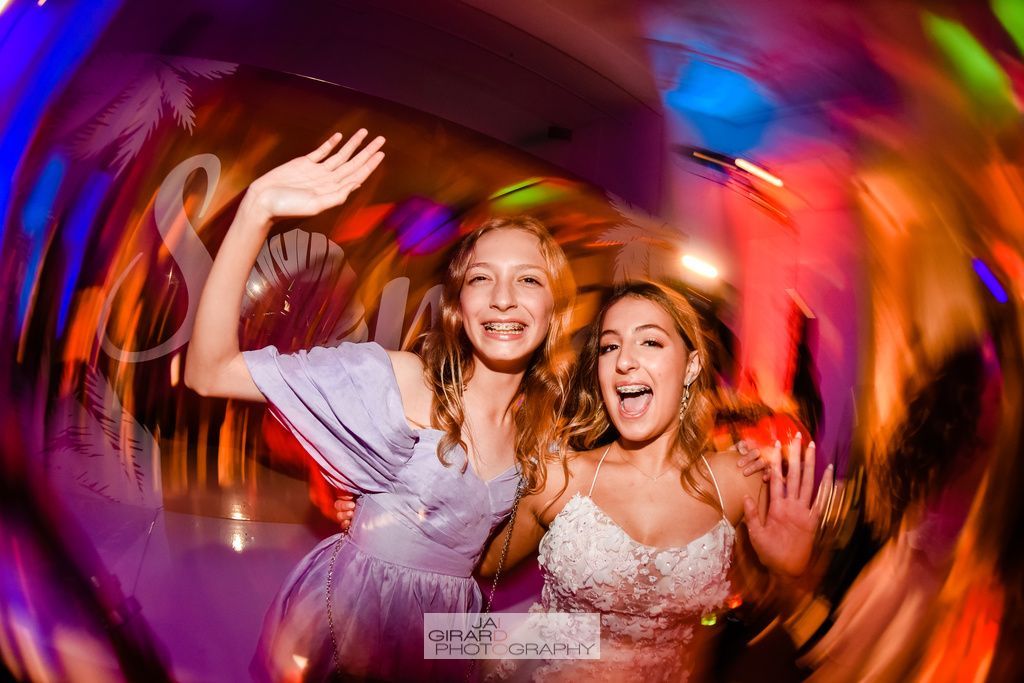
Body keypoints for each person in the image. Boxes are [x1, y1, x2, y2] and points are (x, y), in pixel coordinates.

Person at [183, 130, 579, 681]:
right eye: (481, 279)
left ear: (552, 310)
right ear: (459, 308)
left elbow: (485, 560)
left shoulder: (543, 434)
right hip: (344, 621)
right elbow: (209, 372)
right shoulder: (401, 379)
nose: (503, 298)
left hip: (441, 638)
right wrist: (258, 209)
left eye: (528, 280)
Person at [478, 281, 833, 682]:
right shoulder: (560, 477)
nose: (624, 361)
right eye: (610, 347)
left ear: (692, 366)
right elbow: (481, 568)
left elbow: (778, 617)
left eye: (650, 342)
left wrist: (790, 569)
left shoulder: (739, 481)